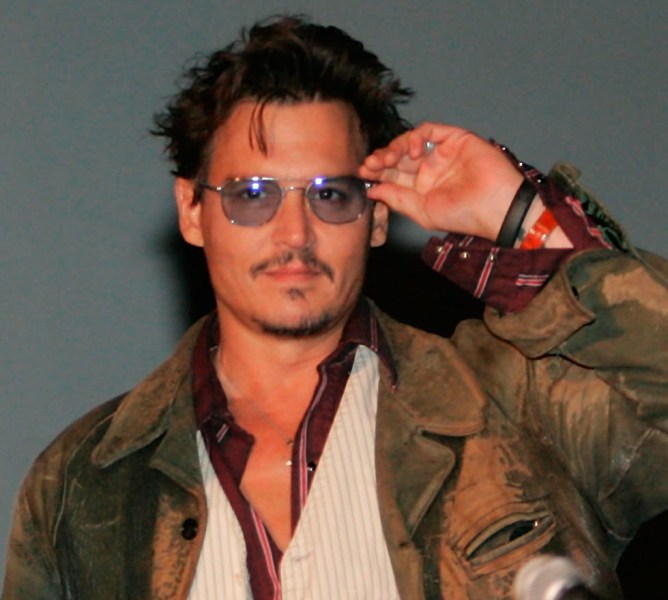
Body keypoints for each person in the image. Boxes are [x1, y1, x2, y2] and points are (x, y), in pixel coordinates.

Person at [2, 14, 667, 600]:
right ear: (192, 210)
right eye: (253, 195)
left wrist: (520, 215)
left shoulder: (516, 411)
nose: (294, 234)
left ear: (376, 217)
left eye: (330, 195)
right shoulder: (85, 484)